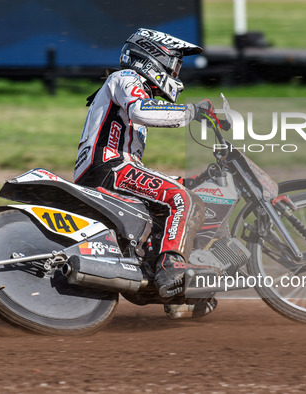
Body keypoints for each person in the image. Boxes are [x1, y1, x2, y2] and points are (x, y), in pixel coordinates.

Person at [74, 28, 216, 318]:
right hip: (108, 167)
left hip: (113, 168)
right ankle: (170, 267)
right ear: (153, 58)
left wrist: (189, 180)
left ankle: (171, 287)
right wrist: (191, 111)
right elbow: (142, 110)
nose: (177, 73)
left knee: (177, 195)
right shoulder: (126, 79)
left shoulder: (128, 85)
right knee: (183, 200)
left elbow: (138, 165)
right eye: (174, 64)